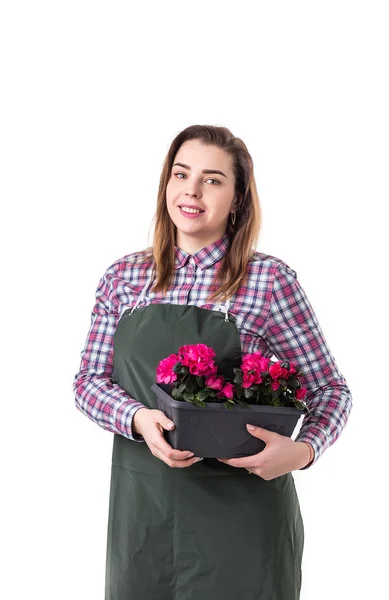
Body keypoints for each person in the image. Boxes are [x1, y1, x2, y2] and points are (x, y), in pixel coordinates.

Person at [73, 124, 353, 600]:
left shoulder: (268, 281)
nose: (192, 191)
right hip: (143, 519)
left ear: (238, 199)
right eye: (182, 174)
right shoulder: (125, 277)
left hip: (242, 522)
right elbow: (89, 382)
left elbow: (330, 390)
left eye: (213, 179)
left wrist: (303, 452)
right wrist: (138, 418)